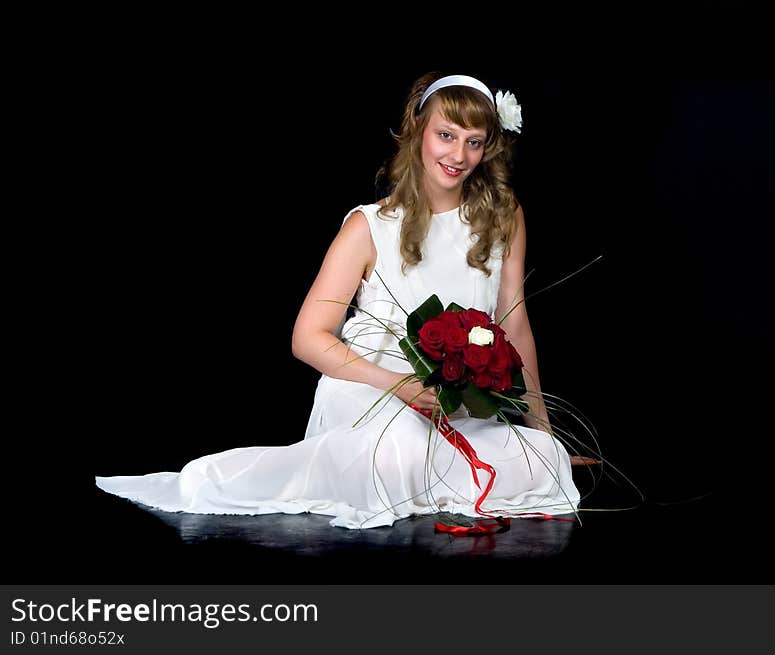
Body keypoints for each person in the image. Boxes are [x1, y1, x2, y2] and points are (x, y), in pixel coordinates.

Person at [95, 72, 581, 529]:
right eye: (446, 135)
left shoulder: (503, 216)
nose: (459, 154)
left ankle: (476, 463)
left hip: (454, 398)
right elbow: (307, 339)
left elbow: (513, 327)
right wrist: (397, 384)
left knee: (542, 464)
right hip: (371, 388)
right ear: (418, 132)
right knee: (398, 455)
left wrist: (541, 429)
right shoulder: (368, 226)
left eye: (474, 142)